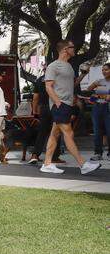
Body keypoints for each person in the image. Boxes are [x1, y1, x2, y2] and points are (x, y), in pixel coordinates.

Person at [41, 41, 100, 175]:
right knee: (69, 133)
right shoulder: (53, 66)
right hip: (59, 104)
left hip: (67, 104)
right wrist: (57, 102)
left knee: (54, 134)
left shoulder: (69, 66)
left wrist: (83, 74)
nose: (75, 49)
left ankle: (47, 164)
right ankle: (83, 164)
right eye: (73, 47)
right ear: (66, 49)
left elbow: (72, 84)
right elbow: (48, 86)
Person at [85, 63, 110, 161]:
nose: (104, 72)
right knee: (97, 131)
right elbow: (88, 89)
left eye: (106, 70)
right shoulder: (99, 81)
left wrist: (98, 96)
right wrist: (94, 84)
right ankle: (98, 153)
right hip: (97, 108)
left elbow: (108, 98)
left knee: (109, 131)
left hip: (108, 108)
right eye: (103, 70)